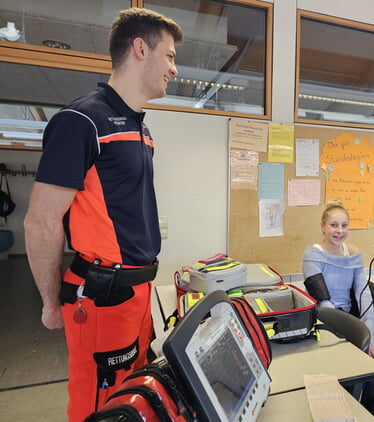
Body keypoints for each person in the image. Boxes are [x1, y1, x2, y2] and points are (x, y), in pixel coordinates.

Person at [23, 8, 183, 422]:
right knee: (99, 406)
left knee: (133, 396)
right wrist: (49, 301)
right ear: (140, 48)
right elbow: (41, 221)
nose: (174, 68)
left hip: (137, 293)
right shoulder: (81, 121)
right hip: (100, 295)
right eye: (168, 56)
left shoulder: (140, 129)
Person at [302, 199, 374, 420]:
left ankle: (372, 415)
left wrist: (371, 335)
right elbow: (325, 305)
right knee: (351, 361)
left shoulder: (352, 253)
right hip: (325, 321)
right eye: (334, 225)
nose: (339, 231)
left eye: (344, 225)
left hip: (351, 319)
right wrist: (358, 341)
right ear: (323, 226)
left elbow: (364, 296)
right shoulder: (312, 255)